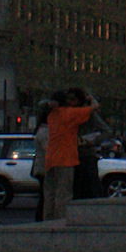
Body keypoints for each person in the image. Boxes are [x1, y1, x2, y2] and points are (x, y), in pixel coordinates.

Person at [44, 90, 95, 221]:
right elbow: (94, 107)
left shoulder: (51, 116)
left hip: (50, 159)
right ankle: (60, 220)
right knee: (64, 193)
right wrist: (90, 98)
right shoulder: (70, 114)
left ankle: (48, 219)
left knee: (50, 194)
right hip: (65, 159)